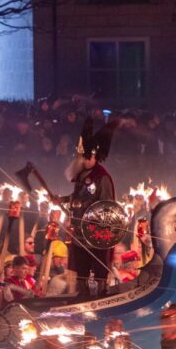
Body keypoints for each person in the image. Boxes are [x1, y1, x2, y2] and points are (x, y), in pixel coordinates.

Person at [58, 116, 118, 296]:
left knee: (99, 265)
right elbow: (75, 197)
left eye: (86, 157)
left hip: (96, 231)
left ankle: (101, 292)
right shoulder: (81, 175)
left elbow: (107, 206)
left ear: (94, 155)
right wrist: (61, 200)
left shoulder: (102, 177)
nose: (83, 161)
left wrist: (83, 207)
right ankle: (82, 293)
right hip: (79, 231)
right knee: (81, 265)